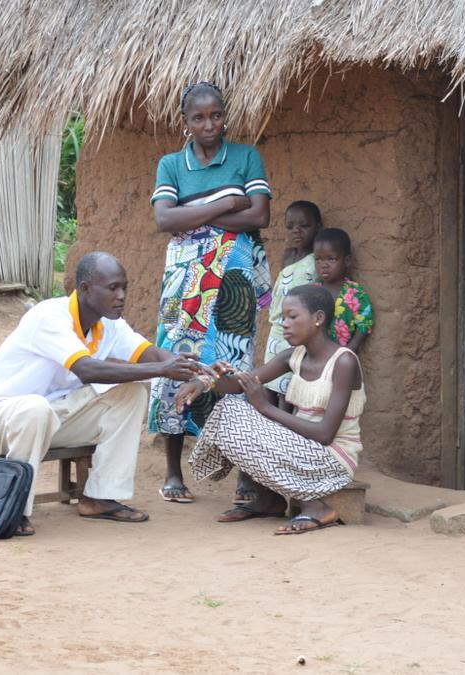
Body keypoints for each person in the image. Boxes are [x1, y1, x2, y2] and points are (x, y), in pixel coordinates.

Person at [0, 252, 204, 536]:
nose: (121, 296)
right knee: (34, 408)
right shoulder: (49, 316)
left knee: (131, 393)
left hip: (52, 416)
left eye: (124, 288)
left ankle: (99, 497)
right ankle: (15, 508)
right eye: (113, 287)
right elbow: (87, 370)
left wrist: (201, 369)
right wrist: (163, 369)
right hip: (1, 419)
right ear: (85, 289)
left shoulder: (110, 324)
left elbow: (150, 354)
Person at [148, 81, 272, 505]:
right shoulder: (171, 164)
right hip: (185, 281)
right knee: (178, 360)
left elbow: (261, 214)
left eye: (216, 115)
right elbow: (165, 220)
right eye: (199, 117)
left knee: (235, 363)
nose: (209, 124)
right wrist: (226, 204)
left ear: (225, 115)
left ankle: (244, 473)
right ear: (185, 122)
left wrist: (194, 215)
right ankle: (172, 472)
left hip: (237, 277)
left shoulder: (245, 156)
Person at [184, 284, 366, 534]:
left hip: (332, 460)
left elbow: (325, 434)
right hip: (300, 449)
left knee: (238, 418)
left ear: (318, 318)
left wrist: (265, 407)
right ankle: (269, 500)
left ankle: (316, 507)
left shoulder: (344, 362)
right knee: (229, 409)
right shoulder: (293, 356)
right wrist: (207, 380)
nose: (285, 324)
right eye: (283, 317)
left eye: (293, 316)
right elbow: (240, 385)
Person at [263, 200, 323, 400]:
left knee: (287, 384)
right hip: (277, 329)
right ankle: (266, 428)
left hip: (299, 330)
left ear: (318, 228)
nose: (296, 231)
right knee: (269, 380)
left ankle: (284, 428)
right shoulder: (288, 256)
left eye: (304, 226)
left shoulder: (318, 260)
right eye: (290, 227)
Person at [313, 228, 374, 353]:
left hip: (342, 355)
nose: (324, 265)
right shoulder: (312, 290)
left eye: (331, 259)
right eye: (318, 259)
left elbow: (365, 324)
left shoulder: (355, 293)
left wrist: (349, 350)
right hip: (313, 355)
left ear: (347, 261)